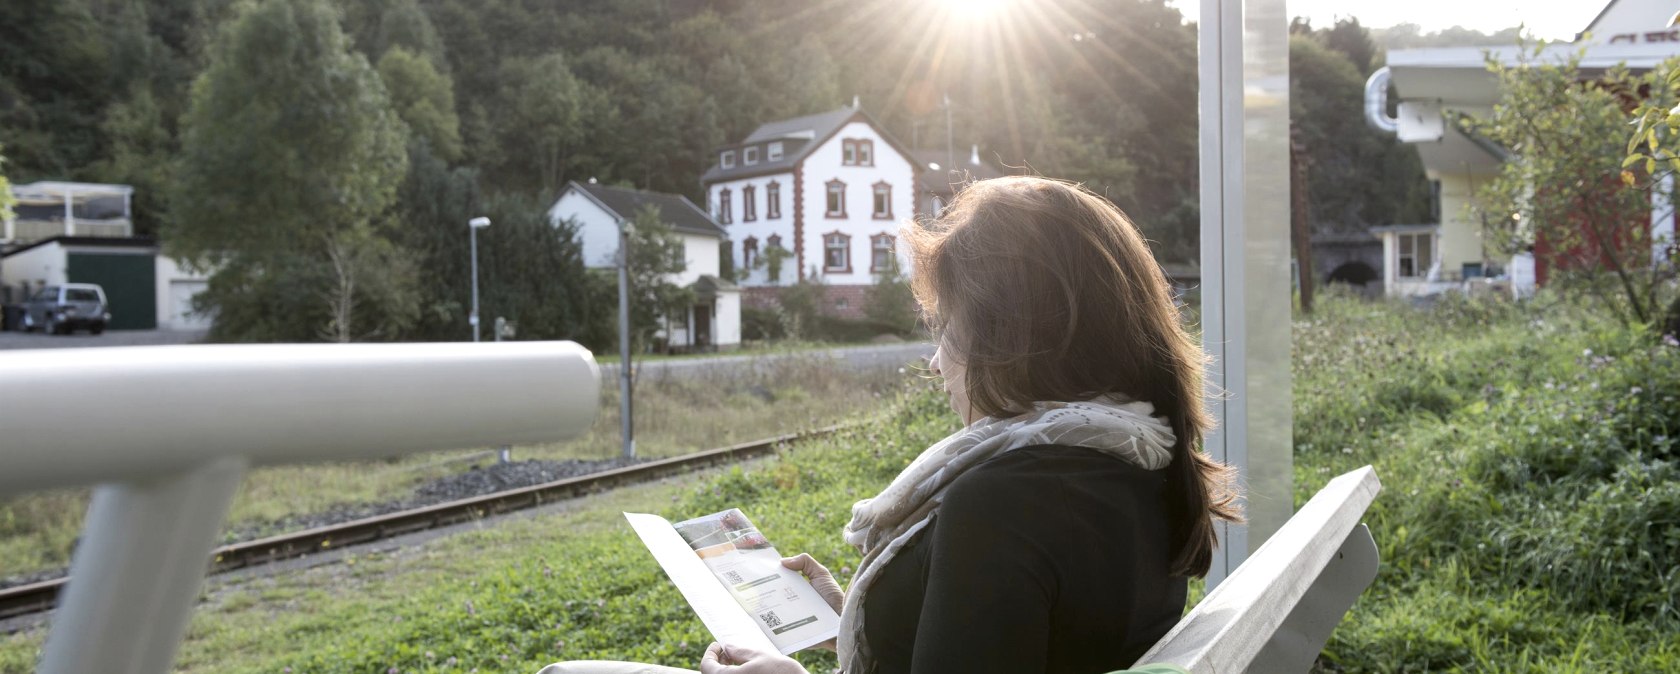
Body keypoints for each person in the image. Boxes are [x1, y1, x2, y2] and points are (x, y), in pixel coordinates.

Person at [539, 176, 1241, 674]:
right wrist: (858, 616)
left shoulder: (1002, 504)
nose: (937, 362)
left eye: (947, 327)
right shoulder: (1139, 461)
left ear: (1012, 336)